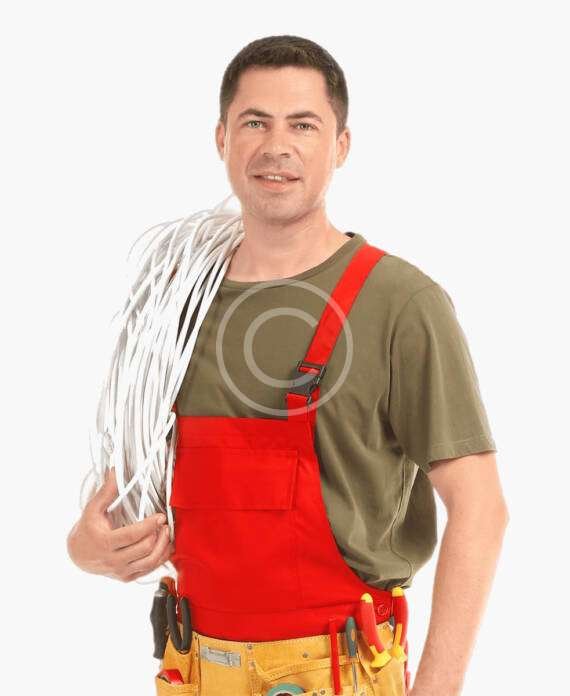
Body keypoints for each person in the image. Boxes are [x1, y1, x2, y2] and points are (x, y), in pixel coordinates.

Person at [67, 34, 509, 696]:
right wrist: (86, 549)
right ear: (222, 138)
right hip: (194, 671)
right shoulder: (172, 305)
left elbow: (479, 506)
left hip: (340, 672)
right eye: (255, 122)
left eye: (303, 125)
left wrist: (436, 690)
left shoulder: (399, 302)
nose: (278, 146)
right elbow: (125, 493)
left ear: (341, 145)